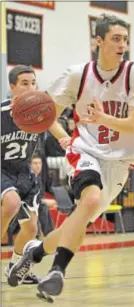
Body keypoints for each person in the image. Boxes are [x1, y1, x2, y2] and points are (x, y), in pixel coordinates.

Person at [8, 13, 134, 300]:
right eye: (115, 39)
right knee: (91, 199)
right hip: (85, 149)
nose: (122, 45)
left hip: (120, 160)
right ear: (98, 41)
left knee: (79, 219)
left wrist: (104, 118)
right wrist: (61, 135)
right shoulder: (77, 75)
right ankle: (57, 271)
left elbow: (133, 124)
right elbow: (48, 113)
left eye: (125, 39)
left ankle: (34, 253)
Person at [1, 65, 40, 284]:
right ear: (12, 87)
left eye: (33, 83)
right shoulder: (2, 113)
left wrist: (65, 139)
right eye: (25, 83)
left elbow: (54, 125)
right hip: (1, 169)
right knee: (11, 203)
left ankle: (15, 266)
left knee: (31, 227)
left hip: (23, 171)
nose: (30, 88)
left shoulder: (39, 112)